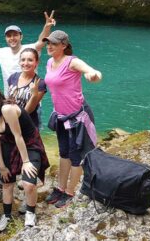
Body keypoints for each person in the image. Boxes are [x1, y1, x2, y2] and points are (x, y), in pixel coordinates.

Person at [0, 84, 49, 230]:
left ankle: (30, 212)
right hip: (8, 143)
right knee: (6, 181)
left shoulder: (6, 109)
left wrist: (26, 161)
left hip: (28, 143)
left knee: (28, 183)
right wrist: (1, 166)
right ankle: (7, 215)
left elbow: (18, 135)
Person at [42, 30, 102, 209]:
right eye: (48, 43)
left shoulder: (72, 61)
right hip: (61, 116)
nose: (49, 46)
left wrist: (93, 75)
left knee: (76, 156)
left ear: (64, 45)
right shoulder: (49, 62)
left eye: (53, 43)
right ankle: (60, 188)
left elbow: (92, 71)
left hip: (78, 117)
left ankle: (70, 192)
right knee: (64, 153)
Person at [6, 48, 47, 129]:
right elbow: (9, 100)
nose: (26, 63)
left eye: (30, 60)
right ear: (19, 62)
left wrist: (34, 95)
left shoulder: (40, 83)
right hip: (11, 121)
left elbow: (30, 110)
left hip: (28, 124)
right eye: (23, 60)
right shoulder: (13, 77)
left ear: (37, 62)